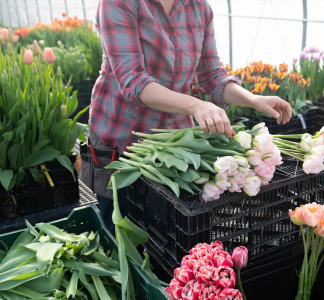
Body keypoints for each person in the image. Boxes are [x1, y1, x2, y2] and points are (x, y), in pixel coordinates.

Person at [82, 0, 292, 233]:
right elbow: (134, 83)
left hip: (171, 146)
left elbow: (212, 76)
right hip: (121, 140)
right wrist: (195, 105)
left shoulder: (199, 7)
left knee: (163, 237)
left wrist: (252, 99)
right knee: (118, 230)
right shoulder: (120, 3)